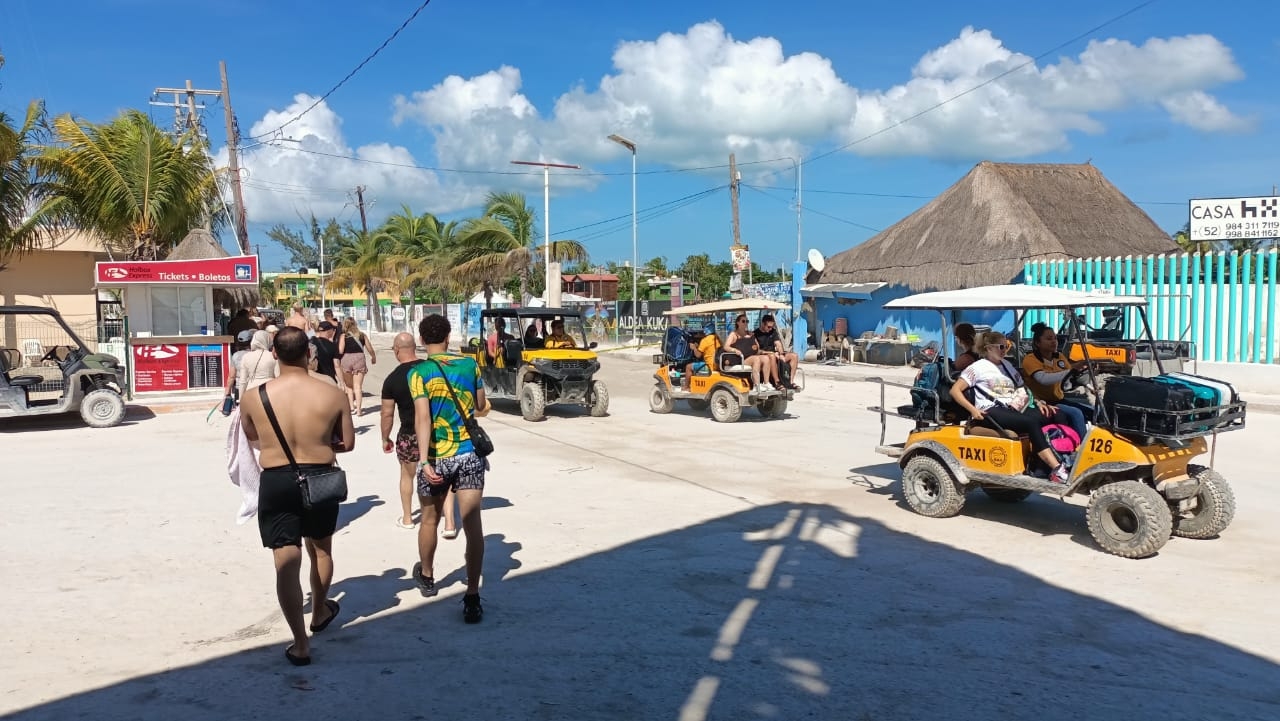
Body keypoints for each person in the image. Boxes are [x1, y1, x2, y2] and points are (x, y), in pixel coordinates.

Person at [238, 326, 355, 666]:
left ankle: (300, 644)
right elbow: (346, 443)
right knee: (321, 549)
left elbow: (251, 434)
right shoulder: (332, 394)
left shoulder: (253, 397)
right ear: (309, 353)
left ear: (275, 353)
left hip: (276, 479)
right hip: (319, 476)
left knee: (285, 562)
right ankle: (319, 611)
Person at [409, 314, 490, 623]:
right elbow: (480, 405)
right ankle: (472, 595)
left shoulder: (420, 372)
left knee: (429, 520)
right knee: (473, 525)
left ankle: (427, 576)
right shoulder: (469, 365)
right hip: (469, 454)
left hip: (437, 456)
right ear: (448, 335)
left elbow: (422, 419)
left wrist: (424, 460)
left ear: (421, 339)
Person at [949, 331, 1075, 483]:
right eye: (1001, 347)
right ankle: (1056, 469)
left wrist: (1039, 402)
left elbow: (1022, 388)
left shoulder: (1006, 365)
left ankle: (1053, 460)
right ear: (988, 348)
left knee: (1056, 414)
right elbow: (955, 390)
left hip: (1013, 406)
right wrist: (973, 410)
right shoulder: (977, 368)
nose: (1004, 350)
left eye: (1007, 346)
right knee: (1031, 423)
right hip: (990, 410)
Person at [381, 333, 426, 530]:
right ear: (414, 347)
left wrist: (385, 438)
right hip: (434, 431)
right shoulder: (429, 369)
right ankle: (432, 514)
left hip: (409, 433)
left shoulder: (393, 379)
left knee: (407, 475)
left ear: (397, 350)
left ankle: (407, 518)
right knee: (435, 474)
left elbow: (387, 414)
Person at [1022, 322, 1090, 441]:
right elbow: (1043, 379)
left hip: (1059, 399)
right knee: (1076, 413)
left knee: (1093, 410)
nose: (1054, 342)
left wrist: (1080, 372)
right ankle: (1081, 448)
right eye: (1049, 339)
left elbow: (1068, 377)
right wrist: (1071, 370)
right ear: (1037, 343)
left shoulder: (1059, 357)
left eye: (1055, 338)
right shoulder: (1030, 359)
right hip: (1042, 402)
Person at [726, 314, 775, 393]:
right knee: (756, 359)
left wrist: (766, 352)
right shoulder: (734, 334)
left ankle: (766, 383)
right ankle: (756, 385)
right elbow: (726, 347)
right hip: (739, 359)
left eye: (747, 321)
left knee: (766, 358)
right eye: (743, 321)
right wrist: (734, 350)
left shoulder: (750, 334)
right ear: (738, 322)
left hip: (749, 357)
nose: (745, 323)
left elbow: (756, 348)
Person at [338, 317, 376, 417]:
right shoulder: (362, 335)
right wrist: (373, 357)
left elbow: (341, 350)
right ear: (355, 324)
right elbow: (369, 348)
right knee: (358, 386)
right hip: (359, 358)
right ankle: (359, 411)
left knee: (349, 386)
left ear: (345, 325)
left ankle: (351, 407)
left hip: (346, 359)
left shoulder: (343, 336)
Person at [754, 314, 798, 389]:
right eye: (768, 327)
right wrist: (771, 353)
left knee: (794, 356)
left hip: (774, 354)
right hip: (764, 355)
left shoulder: (773, 332)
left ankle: (790, 382)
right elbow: (756, 350)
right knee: (772, 356)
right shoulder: (755, 334)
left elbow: (778, 344)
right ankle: (777, 382)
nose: (770, 329)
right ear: (763, 324)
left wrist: (781, 353)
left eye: (772, 327)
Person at [236, 330, 279, 397]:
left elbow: (243, 381)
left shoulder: (246, 357)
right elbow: (278, 377)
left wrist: (241, 398)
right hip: (269, 389)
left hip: (251, 389)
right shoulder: (273, 356)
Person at [683, 324, 721, 391]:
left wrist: (694, 348)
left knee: (688, 367)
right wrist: (698, 347)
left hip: (709, 366)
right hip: (717, 364)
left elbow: (698, 355)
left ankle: (686, 387)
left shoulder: (705, 340)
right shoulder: (718, 338)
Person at [309, 321, 341, 385]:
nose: (334, 331)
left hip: (314, 378)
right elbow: (337, 365)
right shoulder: (333, 346)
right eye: (333, 330)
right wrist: (342, 382)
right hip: (329, 379)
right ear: (329, 331)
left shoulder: (311, 342)